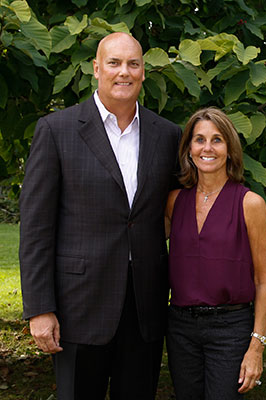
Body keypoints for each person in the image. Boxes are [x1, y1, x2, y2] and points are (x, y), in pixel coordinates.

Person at [19, 32, 181, 400]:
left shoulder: (168, 135)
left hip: (145, 309)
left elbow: (178, 210)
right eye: (114, 63)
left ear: (144, 73)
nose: (124, 72)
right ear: (96, 69)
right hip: (79, 307)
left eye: (133, 64)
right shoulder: (56, 130)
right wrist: (40, 309)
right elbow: (36, 229)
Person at [165, 107, 266, 399]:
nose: (207, 148)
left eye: (217, 140)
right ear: (189, 148)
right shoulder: (174, 202)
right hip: (181, 328)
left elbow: (264, 280)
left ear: (230, 148)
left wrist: (256, 346)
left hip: (230, 329)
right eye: (199, 140)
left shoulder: (250, 204)